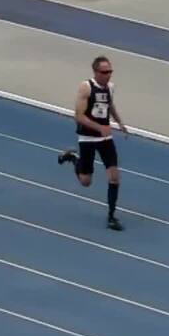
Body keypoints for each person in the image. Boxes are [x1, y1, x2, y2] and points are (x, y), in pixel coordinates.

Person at [57, 56, 128, 230]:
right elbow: (78, 116)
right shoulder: (86, 88)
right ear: (96, 72)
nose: (108, 75)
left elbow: (109, 106)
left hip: (105, 139)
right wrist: (99, 127)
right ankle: (73, 157)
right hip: (88, 138)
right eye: (104, 72)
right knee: (85, 181)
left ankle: (111, 216)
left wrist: (120, 123)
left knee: (114, 176)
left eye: (110, 71)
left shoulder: (110, 88)